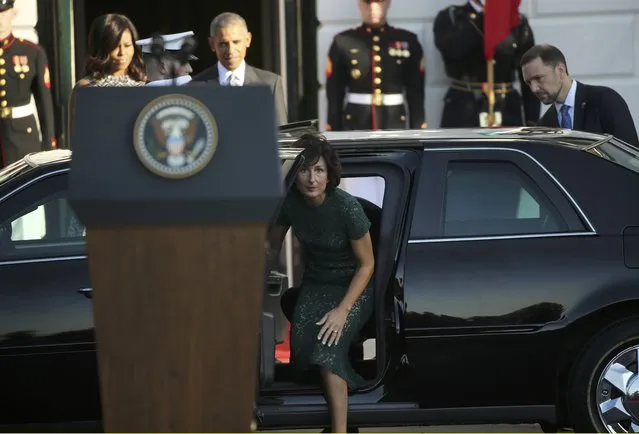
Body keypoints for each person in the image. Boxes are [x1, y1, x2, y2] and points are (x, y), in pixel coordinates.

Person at [269, 133, 375, 433]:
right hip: (316, 284)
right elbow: (271, 247)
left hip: (353, 287)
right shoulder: (291, 204)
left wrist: (342, 311)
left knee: (327, 353)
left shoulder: (347, 208)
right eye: (304, 169)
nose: (311, 178)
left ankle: (339, 430)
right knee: (302, 351)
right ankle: (348, 373)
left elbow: (367, 264)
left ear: (330, 175)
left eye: (319, 170)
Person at [433, 0, 539, 128]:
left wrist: (532, 121)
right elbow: (452, 50)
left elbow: (528, 76)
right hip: (464, 107)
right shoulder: (452, 17)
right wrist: (486, 18)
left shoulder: (516, 21)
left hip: (506, 107)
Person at [325, 0, 426, 132]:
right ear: (359, 4)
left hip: (394, 122)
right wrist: (333, 131)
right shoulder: (343, 41)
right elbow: (335, 93)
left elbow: (416, 93)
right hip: (356, 123)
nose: (372, 8)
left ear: (388, 3)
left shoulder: (408, 41)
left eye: (379, 2)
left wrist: (418, 130)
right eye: (367, 2)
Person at [520, 44, 639, 147]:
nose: (534, 88)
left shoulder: (604, 100)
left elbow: (630, 158)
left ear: (560, 71)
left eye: (538, 78)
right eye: (529, 82)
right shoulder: (545, 125)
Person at [191, 12, 288, 125]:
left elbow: (281, 135)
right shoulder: (195, 86)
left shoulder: (270, 83)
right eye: (223, 44)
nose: (231, 50)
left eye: (236, 42)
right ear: (212, 44)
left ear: (248, 40)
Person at [0, 0, 56, 167]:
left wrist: (49, 144)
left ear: (13, 13)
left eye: (3, 13)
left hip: (21, 137)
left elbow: (44, 102)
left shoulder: (32, 51)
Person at [74, 13, 146, 88]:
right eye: (115, 46)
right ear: (101, 48)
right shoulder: (86, 87)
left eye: (127, 45)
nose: (122, 52)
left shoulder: (146, 84)